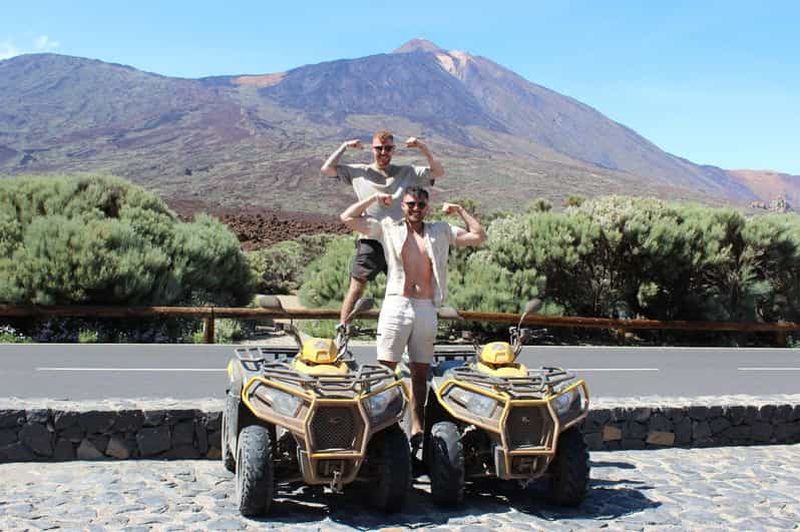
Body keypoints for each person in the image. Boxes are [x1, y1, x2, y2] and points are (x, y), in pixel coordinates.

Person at [339, 186, 486, 445]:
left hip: (426, 307)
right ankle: (379, 429)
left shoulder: (440, 230)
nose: (415, 209)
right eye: (410, 204)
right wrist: (374, 199)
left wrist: (460, 210)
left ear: (427, 206)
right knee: (385, 371)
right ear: (402, 206)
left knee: (420, 374)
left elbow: (478, 236)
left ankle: (417, 430)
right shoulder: (388, 228)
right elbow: (347, 218)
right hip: (397, 304)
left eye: (420, 204)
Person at [321, 130, 444, 327]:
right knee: (357, 286)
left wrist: (423, 147)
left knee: (406, 288)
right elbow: (327, 169)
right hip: (371, 238)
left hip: (400, 240)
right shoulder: (359, 171)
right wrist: (344, 146)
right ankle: (343, 329)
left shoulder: (407, 172)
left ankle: (405, 332)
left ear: (393, 150)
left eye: (388, 148)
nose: (383, 152)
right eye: (379, 148)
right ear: (373, 149)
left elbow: (438, 172)